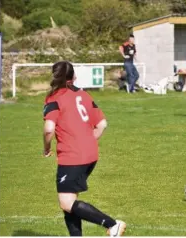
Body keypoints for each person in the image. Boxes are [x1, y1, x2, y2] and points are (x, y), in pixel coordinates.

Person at [43, 61, 126, 236]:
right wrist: (87, 141)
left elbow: (49, 128)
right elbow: (102, 124)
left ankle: (113, 224)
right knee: (70, 201)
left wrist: (46, 147)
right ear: (74, 77)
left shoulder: (54, 97)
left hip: (72, 157)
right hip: (91, 154)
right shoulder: (84, 95)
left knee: (66, 202)